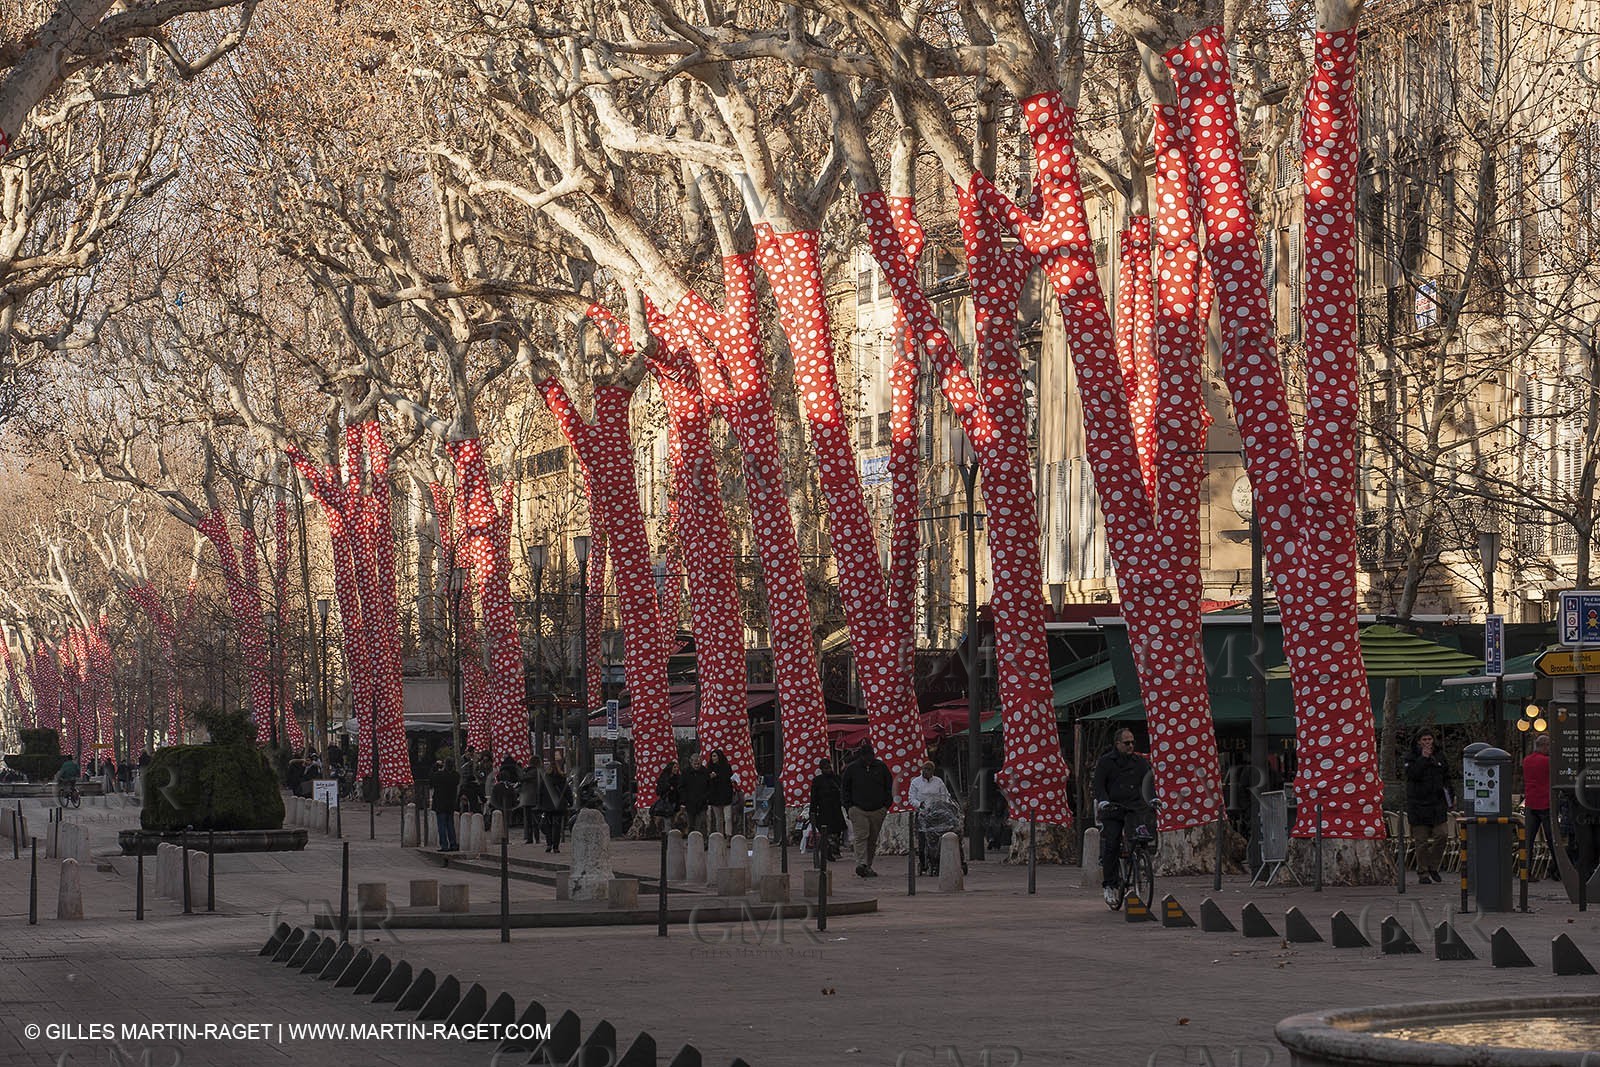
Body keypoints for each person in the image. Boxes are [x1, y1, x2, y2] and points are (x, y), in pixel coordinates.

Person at [1092, 728, 1155, 907]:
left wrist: (1154, 798)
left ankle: (1138, 863)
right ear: (1117, 744)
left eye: (1133, 743)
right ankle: (1110, 885)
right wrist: (1103, 801)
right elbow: (1098, 784)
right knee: (1111, 844)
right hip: (1112, 808)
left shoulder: (1140, 762)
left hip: (1134, 807)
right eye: (1127, 743)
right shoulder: (1106, 762)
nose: (1131, 746)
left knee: (1141, 837)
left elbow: (1149, 782)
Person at [1405, 729, 1452, 884]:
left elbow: (1447, 777)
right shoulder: (1412, 757)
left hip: (1437, 804)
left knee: (1442, 834)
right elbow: (1412, 775)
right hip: (1418, 805)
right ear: (1419, 741)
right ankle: (1423, 872)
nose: (1427, 742)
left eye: (1429, 739)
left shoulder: (1439, 756)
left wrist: (1450, 796)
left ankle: (1433, 865)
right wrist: (1423, 759)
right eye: (1424, 740)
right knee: (1421, 841)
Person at [841, 743, 894, 878]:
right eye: (865, 756)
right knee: (861, 836)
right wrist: (849, 807)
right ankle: (861, 864)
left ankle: (868, 865)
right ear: (861, 756)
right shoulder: (852, 769)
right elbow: (844, 789)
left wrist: (885, 806)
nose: (868, 759)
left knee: (872, 839)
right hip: (858, 809)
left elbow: (889, 786)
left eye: (870, 756)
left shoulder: (881, 767)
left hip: (877, 810)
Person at [908, 761, 953, 876]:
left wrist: (945, 805)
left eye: (928, 769)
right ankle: (923, 861)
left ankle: (936, 861)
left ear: (932, 771)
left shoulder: (938, 782)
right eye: (924, 769)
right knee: (923, 840)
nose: (925, 771)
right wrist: (919, 804)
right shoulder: (916, 782)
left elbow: (945, 795)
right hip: (923, 814)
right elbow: (911, 798)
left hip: (936, 814)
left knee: (937, 839)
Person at [1523, 734, 1558, 879]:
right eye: (1549, 745)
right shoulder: (1548, 761)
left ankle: (1526, 871)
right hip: (1545, 803)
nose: (1550, 748)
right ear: (1544, 745)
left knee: (1528, 840)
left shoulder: (1526, 761)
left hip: (1530, 803)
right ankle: (1557, 870)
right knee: (1552, 839)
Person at [809, 758, 847, 861]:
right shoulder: (818, 781)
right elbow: (814, 798)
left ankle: (834, 850)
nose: (828, 770)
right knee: (827, 832)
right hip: (823, 810)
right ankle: (828, 851)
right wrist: (812, 812)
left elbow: (843, 792)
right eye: (825, 768)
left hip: (836, 810)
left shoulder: (836, 779)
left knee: (837, 832)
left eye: (829, 767)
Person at [540, 759, 570, 853]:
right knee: (557, 826)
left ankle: (549, 843)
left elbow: (540, 793)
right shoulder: (562, 779)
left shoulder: (545, 780)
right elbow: (567, 792)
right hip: (559, 806)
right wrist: (571, 802)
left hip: (548, 806)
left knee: (547, 825)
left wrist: (540, 804)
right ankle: (556, 846)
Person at [430, 759, 461, 851]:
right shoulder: (456, 776)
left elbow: (431, 778)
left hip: (440, 803)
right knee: (450, 824)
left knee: (442, 825)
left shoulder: (439, 775)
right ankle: (453, 843)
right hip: (451, 803)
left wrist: (435, 766)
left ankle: (444, 845)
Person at [680, 753, 711, 836]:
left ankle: (703, 841)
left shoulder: (705, 772)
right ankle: (691, 841)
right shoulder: (685, 773)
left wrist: (706, 798)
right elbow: (682, 788)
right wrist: (684, 801)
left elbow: (709, 787)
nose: (697, 766)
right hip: (690, 802)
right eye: (695, 764)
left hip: (702, 802)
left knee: (702, 823)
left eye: (698, 764)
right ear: (691, 762)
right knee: (691, 824)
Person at [708, 750, 735, 837]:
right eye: (712, 756)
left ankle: (728, 835)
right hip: (715, 797)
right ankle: (720, 835)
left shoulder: (726, 767)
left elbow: (728, 779)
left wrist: (718, 776)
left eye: (715, 756)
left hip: (726, 796)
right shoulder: (709, 767)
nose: (713, 758)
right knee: (718, 819)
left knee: (728, 817)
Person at [519, 760, 543, 845]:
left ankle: (532, 838)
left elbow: (522, 778)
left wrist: (521, 770)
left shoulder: (532, 772)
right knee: (532, 820)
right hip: (532, 799)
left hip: (530, 799)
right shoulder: (536, 772)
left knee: (531, 820)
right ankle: (534, 838)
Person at [653, 759, 681, 823]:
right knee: (667, 821)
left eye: (677, 767)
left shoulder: (678, 778)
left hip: (676, 803)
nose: (676, 769)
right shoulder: (664, 778)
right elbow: (658, 791)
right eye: (674, 767)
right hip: (666, 803)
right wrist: (668, 787)